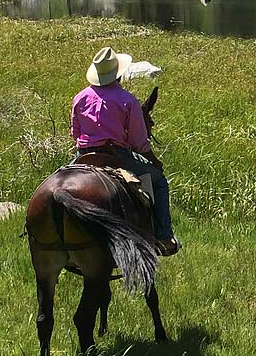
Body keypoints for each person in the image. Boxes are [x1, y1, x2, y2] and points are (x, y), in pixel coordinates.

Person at [71, 47, 179, 255]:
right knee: (159, 182)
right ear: (118, 73)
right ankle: (164, 237)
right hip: (115, 156)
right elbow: (139, 142)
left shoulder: (80, 98)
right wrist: (152, 160)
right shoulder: (128, 101)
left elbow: (75, 134)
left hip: (84, 156)